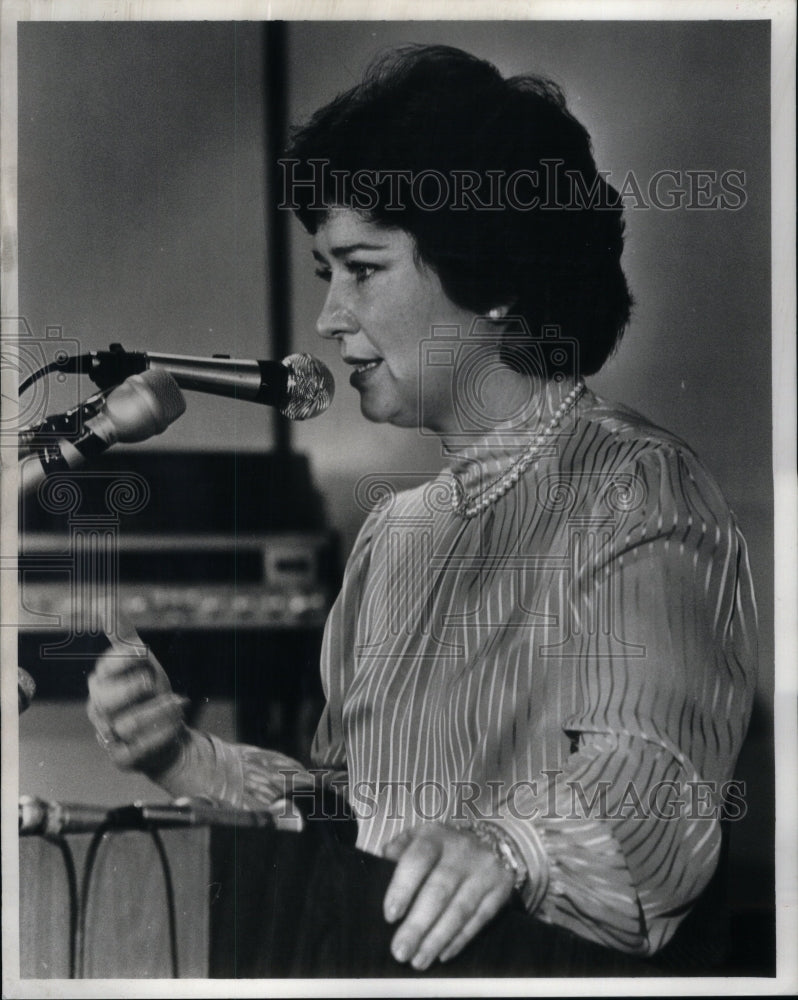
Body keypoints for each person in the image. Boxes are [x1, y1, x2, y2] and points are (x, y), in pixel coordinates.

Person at [87, 45, 758, 975]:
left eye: (361, 268)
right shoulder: (393, 537)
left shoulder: (636, 487)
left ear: (491, 273)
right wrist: (186, 758)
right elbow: (350, 815)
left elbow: (654, 793)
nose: (327, 317)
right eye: (325, 270)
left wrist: (509, 850)